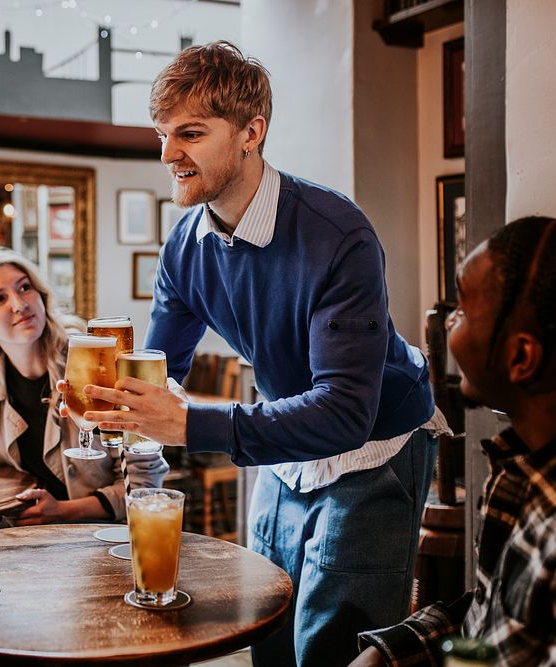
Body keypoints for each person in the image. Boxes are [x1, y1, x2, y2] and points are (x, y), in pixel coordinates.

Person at [83, 41, 444, 666]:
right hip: (283, 447)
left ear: (252, 132)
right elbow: (160, 369)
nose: (168, 155)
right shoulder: (186, 247)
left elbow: (344, 413)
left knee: (335, 645)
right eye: (163, 135)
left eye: (190, 134)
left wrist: (189, 423)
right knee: (267, 630)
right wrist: (114, 401)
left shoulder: (339, 236)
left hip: (374, 447)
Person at [350, 217, 556, 666]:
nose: (450, 323)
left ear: (520, 356)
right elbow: (498, 610)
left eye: (463, 310)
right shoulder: (539, 466)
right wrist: (388, 653)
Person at [0, 247, 167, 524]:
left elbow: (144, 485)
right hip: (19, 537)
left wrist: (61, 512)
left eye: (24, 288)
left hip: (98, 537)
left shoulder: (94, 363)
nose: (19, 304)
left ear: (41, 296)